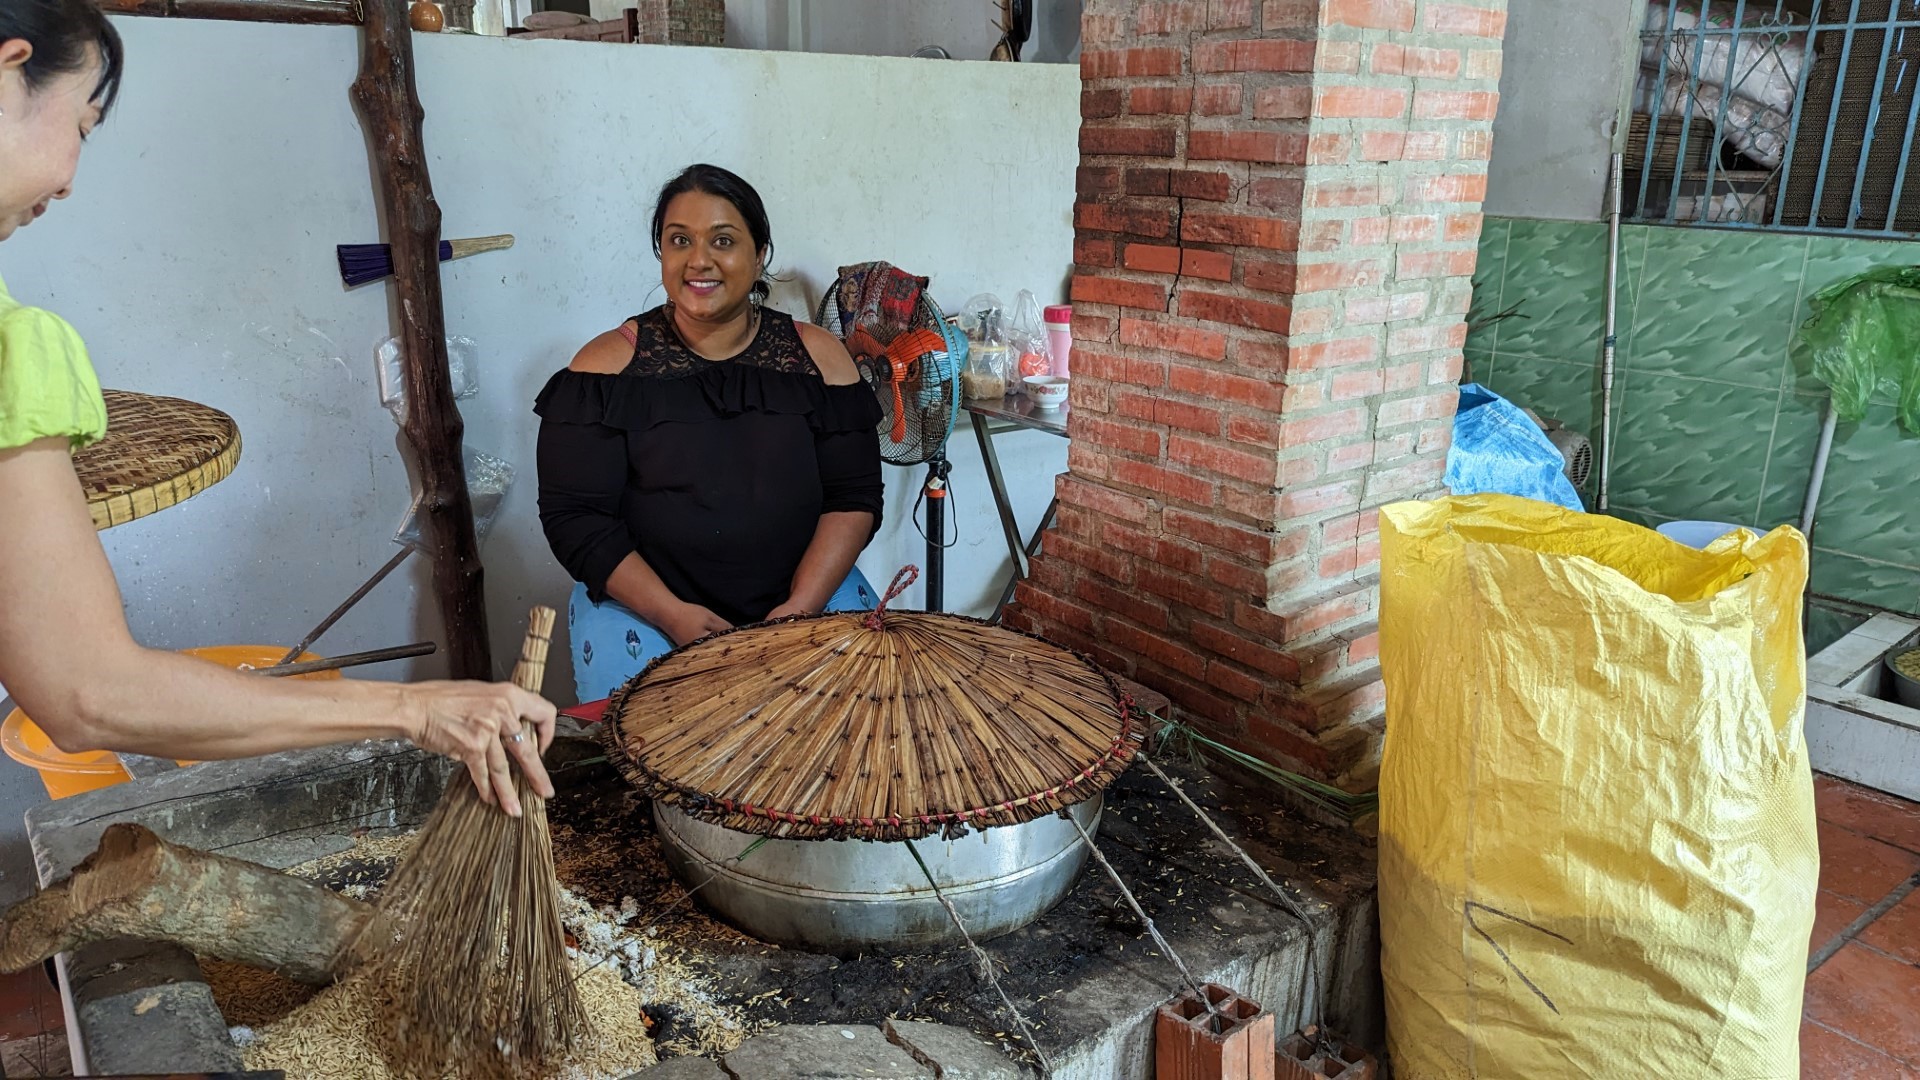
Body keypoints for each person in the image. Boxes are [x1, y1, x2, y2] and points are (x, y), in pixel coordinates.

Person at [0, 0, 556, 816]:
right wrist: (415, 706)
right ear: (10, 69)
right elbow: (90, 692)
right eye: (83, 123)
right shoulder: (16, 342)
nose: (72, 179)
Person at [536, 164, 885, 702]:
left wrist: (799, 609)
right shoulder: (602, 371)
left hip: (807, 598)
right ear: (661, 252)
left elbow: (853, 497)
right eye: (680, 241)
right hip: (649, 611)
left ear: (760, 251)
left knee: (862, 738)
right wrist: (671, 615)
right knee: (651, 764)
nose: (699, 261)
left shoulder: (822, 361)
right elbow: (576, 521)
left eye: (723, 240)